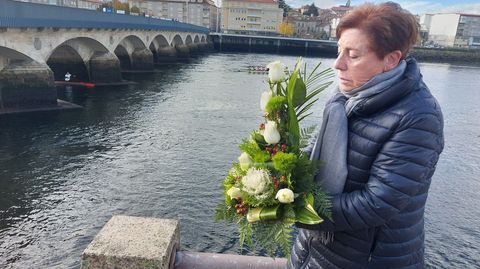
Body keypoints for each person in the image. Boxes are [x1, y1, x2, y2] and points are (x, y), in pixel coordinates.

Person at [288, 2, 444, 269]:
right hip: (314, 251)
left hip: (369, 259)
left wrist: (294, 210)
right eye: (339, 51)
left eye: (353, 55)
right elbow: (314, 159)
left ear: (391, 60)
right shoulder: (342, 97)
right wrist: (278, 177)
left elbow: (377, 203)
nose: (338, 64)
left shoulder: (418, 116)